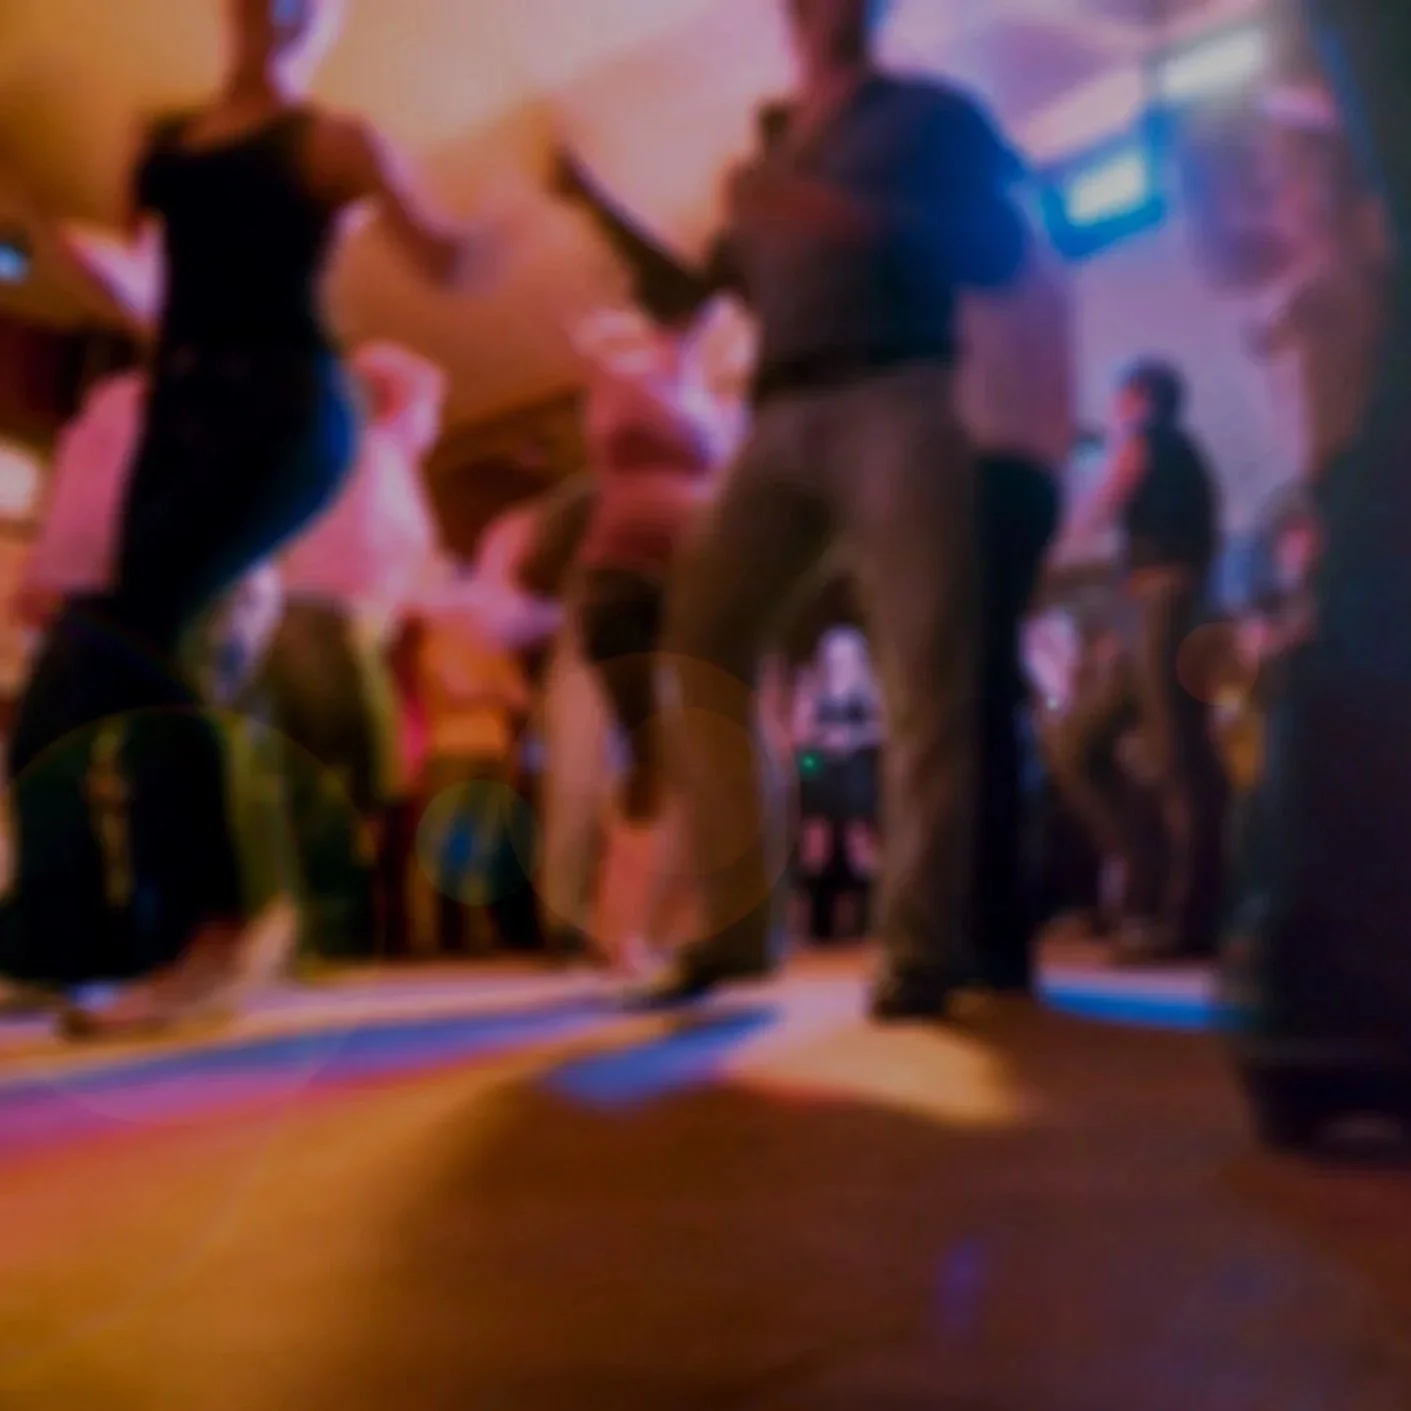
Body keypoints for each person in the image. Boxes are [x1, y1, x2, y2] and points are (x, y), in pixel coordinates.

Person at [2, 0, 503, 1035]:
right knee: (119, 652)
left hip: (287, 405)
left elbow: (448, 260)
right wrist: (44, 218)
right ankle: (138, 936)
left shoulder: (334, 141)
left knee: (160, 633)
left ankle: (219, 927)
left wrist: (493, 226)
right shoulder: (168, 137)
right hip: (177, 410)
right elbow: (150, 283)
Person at [616, 0, 1028, 1017]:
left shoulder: (929, 116)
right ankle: (734, 931)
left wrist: (847, 217)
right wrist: (587, 202)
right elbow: (695, 291)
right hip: (774, 415)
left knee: (926, 669)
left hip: (898, 394)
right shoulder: (770, 145)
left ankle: (921, 952)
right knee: (698, 644)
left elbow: (999, 251)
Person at [261, 341, 447, 959]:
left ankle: (319, 931)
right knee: (328, 781)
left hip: (342, 626)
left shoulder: (382, 455)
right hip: (317, 618)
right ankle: (314, 933)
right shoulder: (356, 449)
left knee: (345, 782)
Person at [1053, 360, 1227, 963]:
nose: (1114, 410)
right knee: (1080, 744)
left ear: (1140, 398)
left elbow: (1101, 506)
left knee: (1181, 755)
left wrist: (1061, 519)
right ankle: (1146, 890)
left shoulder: (1150, 439)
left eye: (1118, 397)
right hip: (1151, 610)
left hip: (1169, 605)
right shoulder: (1183, 453)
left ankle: (1193, 918)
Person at [956, 190, 1075, 993]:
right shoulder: (1046, 255)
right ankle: (999, 929)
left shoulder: (978, 241)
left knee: (969, 702)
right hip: (1034, 477)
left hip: (986, 473)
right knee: (992, 700)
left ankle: (988, 931)